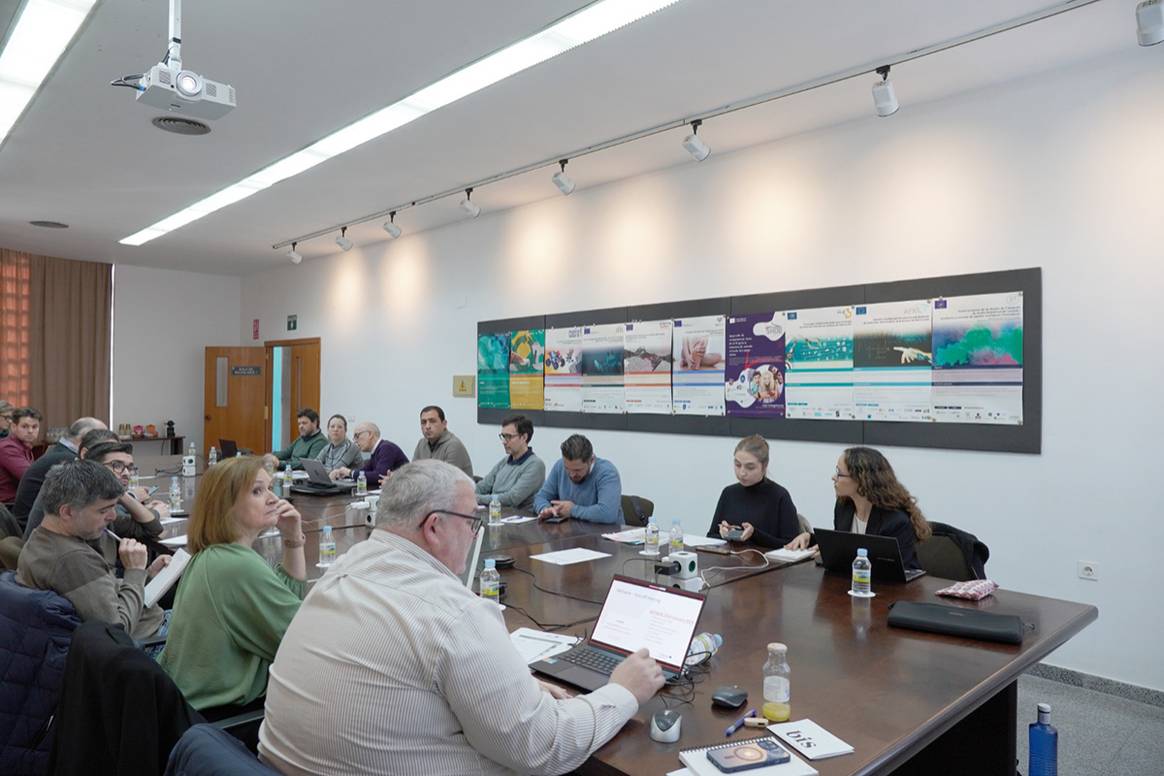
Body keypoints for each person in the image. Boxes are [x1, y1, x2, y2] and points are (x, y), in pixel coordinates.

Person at [257, 460, 663, 775]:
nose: (474, 536)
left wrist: (515, 685)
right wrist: (624, 692)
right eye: (471, 523)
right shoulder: (453, 614)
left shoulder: (340, 573)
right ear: (434, 527)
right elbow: (546, 747)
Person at [159, 456, 306, 711]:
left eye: (270, 488)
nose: (273, 498)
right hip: (223, 719)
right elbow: (298, 639)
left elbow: (287, 601)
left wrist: (293, 538)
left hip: (187, 710)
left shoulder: (217, 554)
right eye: (258, 491)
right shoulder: (236, 566)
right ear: (225, 506)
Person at [16, 460, 168, 639]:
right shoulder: (73, 559)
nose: (112, 517)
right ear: (67, 512)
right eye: (104, 510)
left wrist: (146, 574)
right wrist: (134, 571)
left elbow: (102, 593)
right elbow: (118, 631)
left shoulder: (41, 538)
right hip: (150, 639)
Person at [785, 446, 930, 569]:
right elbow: (845, 544)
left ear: (861, 481)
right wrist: (810, 538)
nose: (833, 478)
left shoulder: (895, 521)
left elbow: (899, 571)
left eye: (839, 473)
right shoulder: (844, 507)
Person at [23, 438, 170, 545]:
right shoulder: (89, 498)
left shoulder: (94, 491)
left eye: (129, 467)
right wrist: (154, 512)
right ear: (94, 467)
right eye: (116, 465)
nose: (126, 473)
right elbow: (154, 529)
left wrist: (122, 493)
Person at [706, 435, 800, 548]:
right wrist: (724, 534)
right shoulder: (729, 493)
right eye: (737, 465)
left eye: (750, 467)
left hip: (767, 563)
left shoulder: (779, 496)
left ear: (764, 466)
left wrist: (754, 534)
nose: (742, 473)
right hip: (730, 562)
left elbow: (791, 545)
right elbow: (711, 536)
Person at [11, 416, 106, 527]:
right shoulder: (67, 460)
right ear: (85, 439)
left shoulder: (60, 452)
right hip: (32, 529)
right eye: (103, 442)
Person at [534, 434, 622, 524]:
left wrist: (572, 510)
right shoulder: (559, 466)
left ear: (591, 460)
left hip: (605, 533)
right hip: (571, 531)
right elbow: (541, 497)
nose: (572, 475)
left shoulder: (607, 473)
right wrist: (546, 509)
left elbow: (607, 514)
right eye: (567, 468)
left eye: (577, 470)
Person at [473, 415, 545, 510]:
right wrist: (467, 495)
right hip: (496, 513)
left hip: (519, 518)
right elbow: (483, 486)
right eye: (503, 436)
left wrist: (477, 498)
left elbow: (512, 498)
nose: (504, 442)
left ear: (524, 437)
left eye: (509, 437)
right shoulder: (505, 461)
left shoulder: (535, 465)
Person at [331, 421, 408, 488]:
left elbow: (379, 476)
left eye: (357, 436)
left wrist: (349, 472)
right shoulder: (376, 451)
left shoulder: (386, 448)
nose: (355, 441)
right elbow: (364, 471)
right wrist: (344, 473)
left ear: (370, 434)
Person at [411, 405, 473, 477]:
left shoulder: (453, 446)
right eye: (424, 422)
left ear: (444, 424)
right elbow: (412, 474)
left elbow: (445, 481)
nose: (427, 426)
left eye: (432, 421)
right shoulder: (421, 443)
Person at [0, 408, 42, 504]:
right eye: (25, 427)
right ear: (14, 427)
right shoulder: (7, 447)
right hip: (7, 507)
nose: (30, 431)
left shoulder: (26, 446)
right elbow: (30, 477)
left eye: (35, 427)